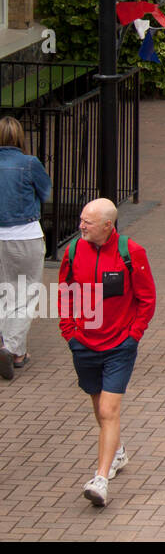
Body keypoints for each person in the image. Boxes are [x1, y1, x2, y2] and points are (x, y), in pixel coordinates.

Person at [58, 198, 157, 507]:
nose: (80, 226)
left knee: (108, 411)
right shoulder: (74, 251)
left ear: (107, 226)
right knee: (98, 402)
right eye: (81, 220)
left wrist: (133, 335)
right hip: (84, 343)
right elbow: (64, 291)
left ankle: (100, 478)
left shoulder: (132, 252)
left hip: (119, 346)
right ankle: (117, 450)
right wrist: (69, 332)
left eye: (87, 222)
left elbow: (147, 298)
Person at [0, 116, 51, 379]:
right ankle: (12, 349)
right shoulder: (29, 163)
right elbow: (45, 194)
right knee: (25, 293)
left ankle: (7, 345)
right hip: (25, 235)